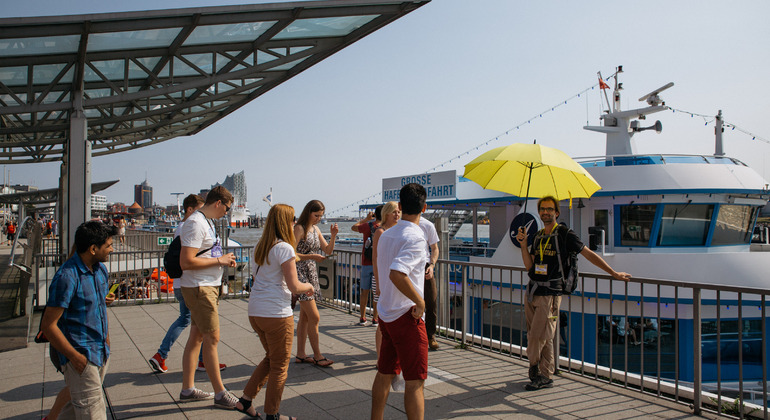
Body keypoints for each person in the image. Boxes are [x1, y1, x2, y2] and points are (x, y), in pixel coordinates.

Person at [516, 195, 631, 390]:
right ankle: (546, 376)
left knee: (536, 337)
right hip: (532, 291)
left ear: (557, 212)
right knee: (543, 335)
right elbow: (529, 265)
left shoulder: (565, 234)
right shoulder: (537, 236)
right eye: (542, 209)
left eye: (549, 209)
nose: (545, 212)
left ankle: (534, 366)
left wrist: (613, 273)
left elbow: (588, 253)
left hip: (550, 294)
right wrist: (522, 244)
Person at [235, 204, 314, 420]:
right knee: (280, 366)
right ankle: (273, 414)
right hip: (276, 313)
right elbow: (295, 285)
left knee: (271, 358)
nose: (294, 224)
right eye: (292, 220)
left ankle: (245, 401)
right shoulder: (285, 248)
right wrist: (309, 287)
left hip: (256, 311)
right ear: (285, 222)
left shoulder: (260, 246)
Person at [40, 221, 118, 419]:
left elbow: (95, 306)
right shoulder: (67, 277)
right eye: (108, 245)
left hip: (100, 351)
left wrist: (106, 338)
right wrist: (75, 357)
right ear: (93, 249)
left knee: (74, 411)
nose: (112, 249)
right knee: (94, 413)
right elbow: (48, 325)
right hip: (82, 355)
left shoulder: (99, 270)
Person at [149, 194, 226, 373]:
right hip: (190, 283)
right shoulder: (189, 226)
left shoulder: (185, 226)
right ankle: (162, 354)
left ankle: (199, 361)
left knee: (196, 327)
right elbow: (188, 259)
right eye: (199, 209)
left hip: (184, 282)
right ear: (191, 210)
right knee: (192, 323)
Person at [371, 183, 429, 420]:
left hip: (387, 314)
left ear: (401, 206)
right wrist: (420, 302)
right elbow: (397, 273)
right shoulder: (416, 237)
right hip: (407, 316)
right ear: (424, 207)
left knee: (384, 372)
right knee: (415, 381)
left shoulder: (386, 234)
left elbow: (382, 270)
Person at [178, 186, 238, 408]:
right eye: (228, 208)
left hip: (205, 286)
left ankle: (188, 388)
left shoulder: (206, 222)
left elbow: (202, 255)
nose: (227, 213)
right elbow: (187, 262)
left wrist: (220, 259)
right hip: (199, 288)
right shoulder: (195, 223)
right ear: (219, 203)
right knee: (212, 339)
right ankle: (220, 393)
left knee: (197, 337)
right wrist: (220, 261)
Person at [294, 200, 338, 367]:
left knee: (305, 317)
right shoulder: (299, 228)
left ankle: (300, 354)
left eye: (321, 215)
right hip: (300, 273)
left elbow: (327, 250)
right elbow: (292, 252)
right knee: (314, 316)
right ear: (308, 213)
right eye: (316, 215)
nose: (319, 218)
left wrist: (333, 236)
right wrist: (312, 257)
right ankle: (318, 355)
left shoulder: (316, 229)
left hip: (311, 272)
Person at [371, 201, 400, 360]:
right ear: (386, 214)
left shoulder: (397, 231)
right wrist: (378, 282)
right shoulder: (380, 232)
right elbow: (375, 259)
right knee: (382, 320)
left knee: (393, 318)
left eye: (398, 212)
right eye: (394, 212)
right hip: (383, 279)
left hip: (395, 280)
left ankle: (390, 354)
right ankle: (379, 356)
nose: (397, 215)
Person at [352, 206, 381, 326]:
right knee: (377, 293)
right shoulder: (384, 228)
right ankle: (375, 318)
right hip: (378, 264)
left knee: (364, 291)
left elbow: (353, 227)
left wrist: (366, 219)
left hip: (366, 262)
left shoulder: (368, 226)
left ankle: (362, 317)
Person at [418, 215, 440, 351]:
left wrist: (431, 265)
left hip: (425, 267)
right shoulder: (400, 224)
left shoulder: (427, 225)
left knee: (431, 301)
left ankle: (431, 336)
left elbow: (435, 248)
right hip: (408, 267)